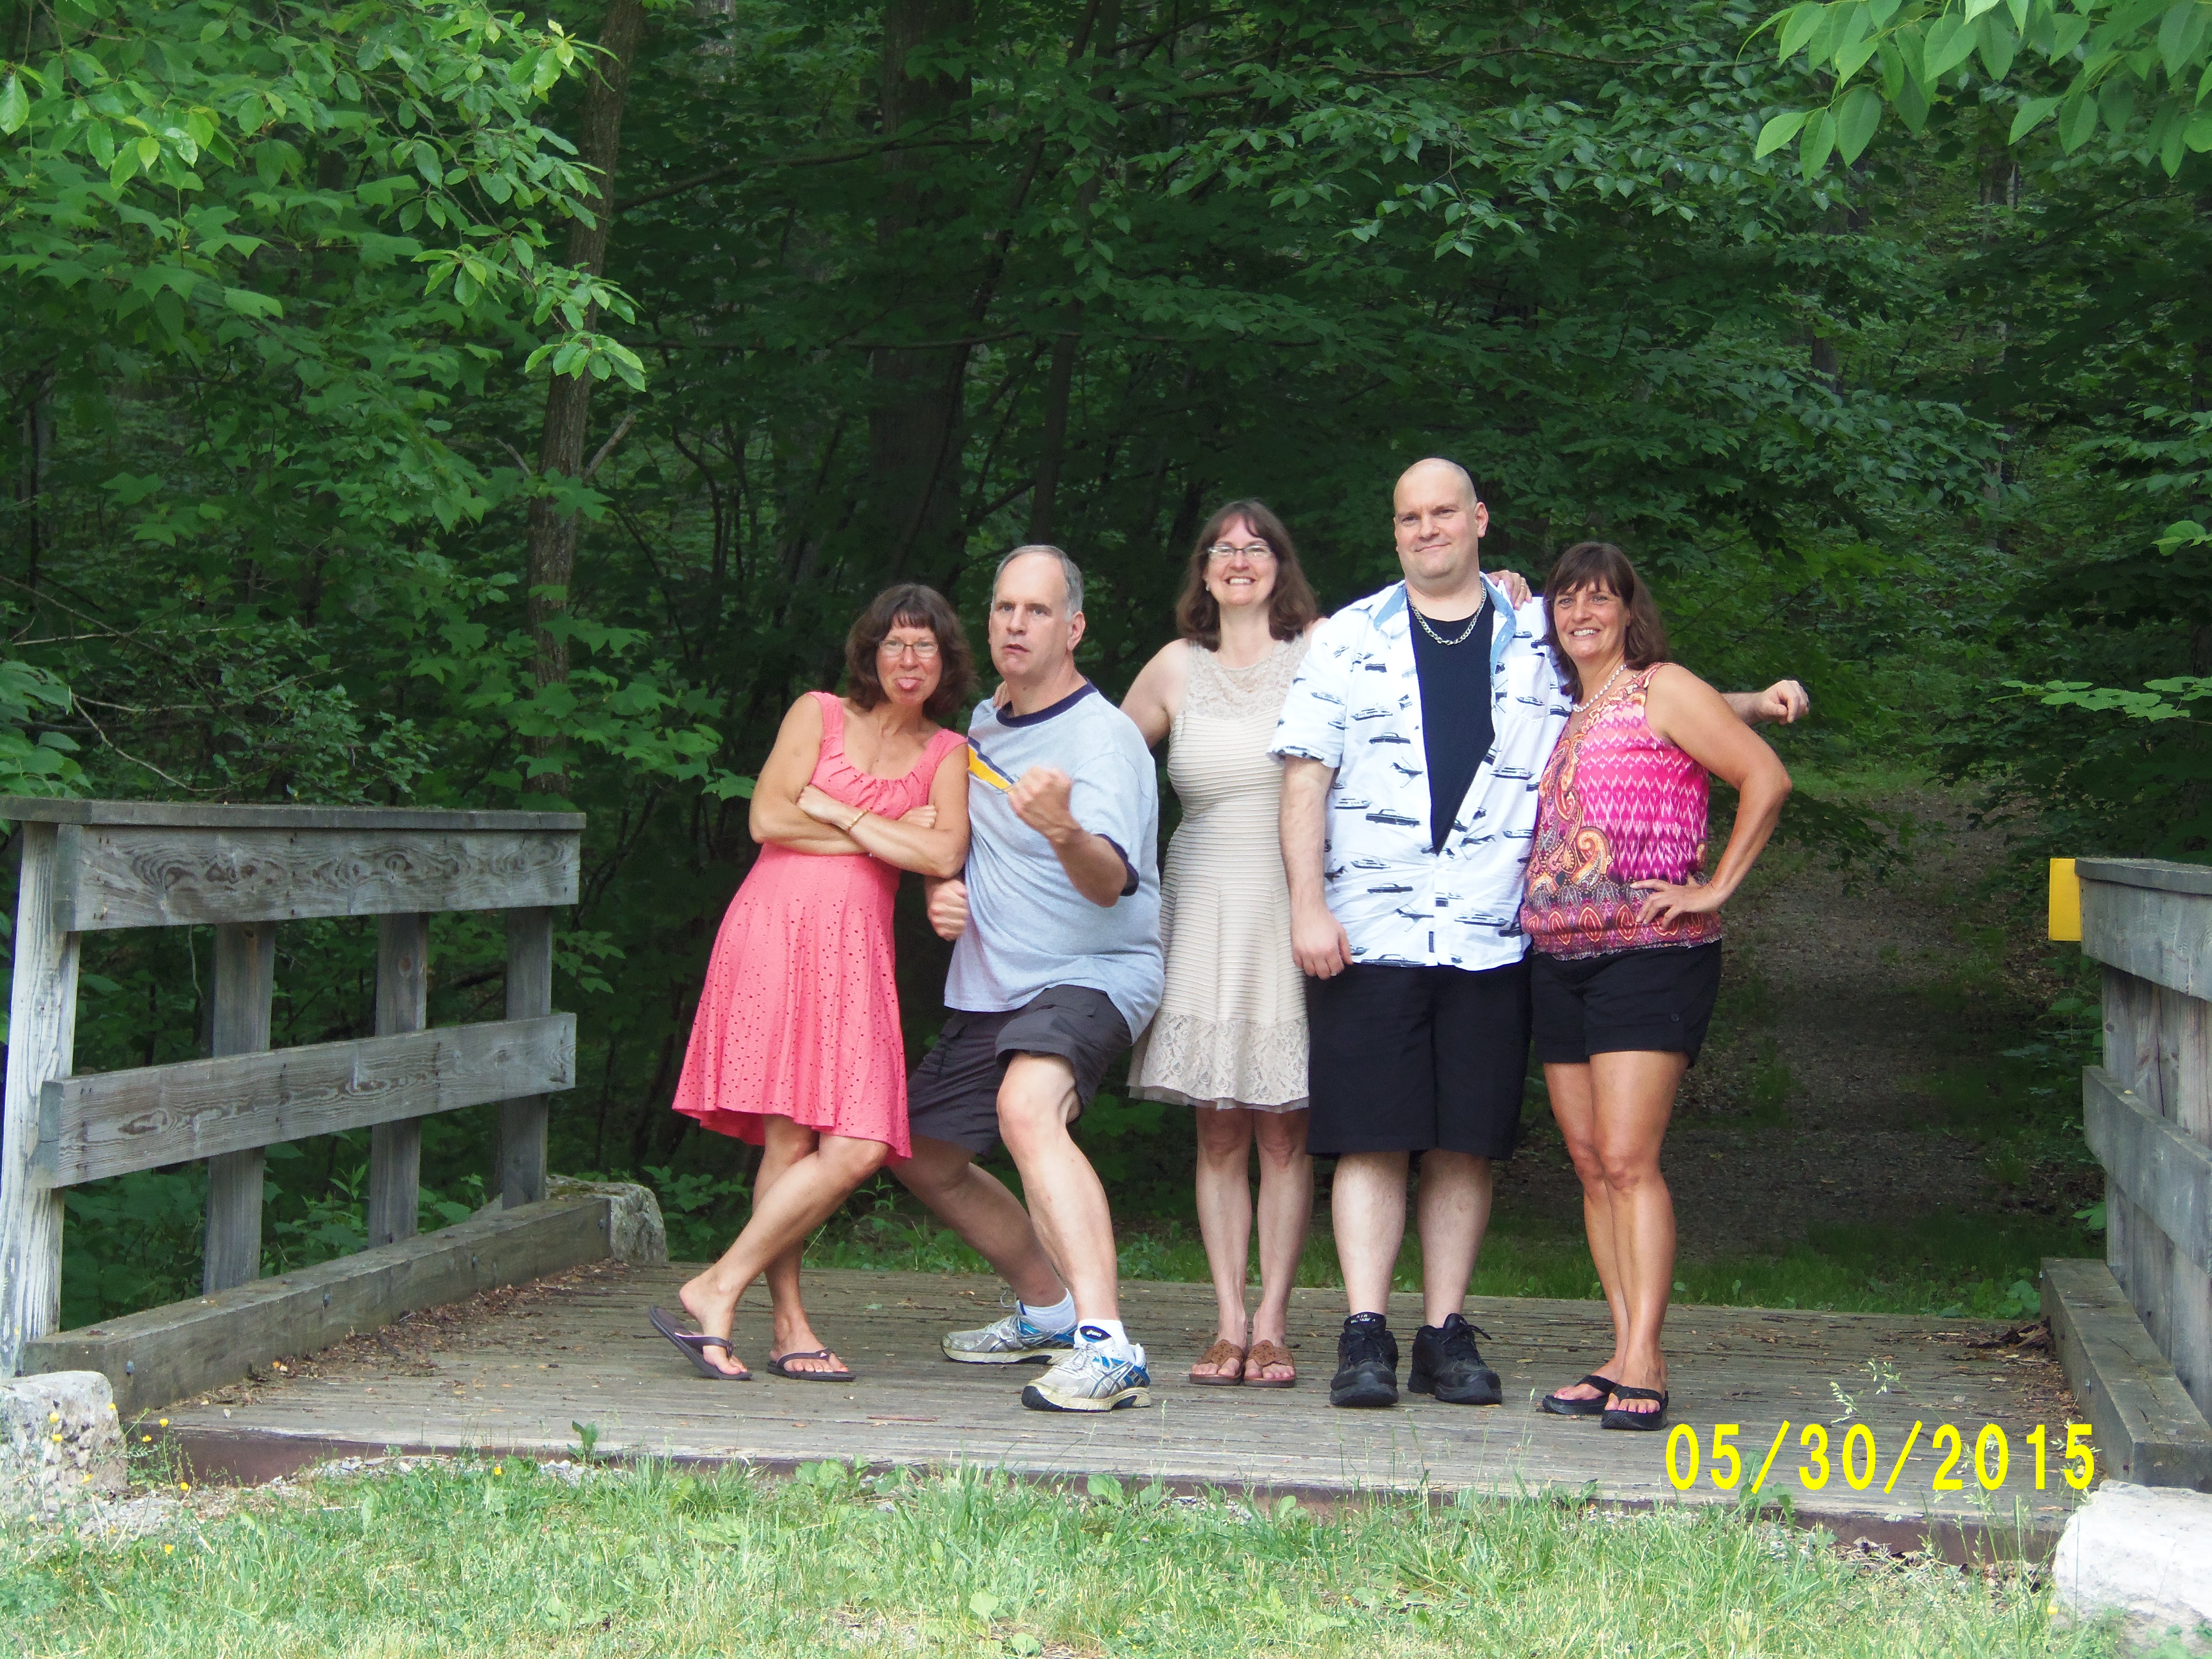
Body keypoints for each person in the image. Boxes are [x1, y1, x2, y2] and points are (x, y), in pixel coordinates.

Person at [1272, 458, 1807, 1411]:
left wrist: (1754, 711)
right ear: (1393, 530)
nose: (1427, 529)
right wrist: (1306, 905)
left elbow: (1645, 703)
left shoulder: (1532, 636)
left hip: (1497, 934)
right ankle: (1366, 1334)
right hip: (1380, 925)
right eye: (1409, 517)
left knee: (1470, 1142)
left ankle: (1450, 1333)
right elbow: (1305, 775)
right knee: (1377, 1139)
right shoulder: (1346, 638)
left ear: (1480, 518)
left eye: (1445, 512)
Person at [650, 584, 974, 1383]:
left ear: (945, 663)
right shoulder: (819, 714)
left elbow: (941, 858)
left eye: (925, 647)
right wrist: (886, 838)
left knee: (858, 1142)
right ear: (870, 651)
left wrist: (834, 811)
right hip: (773, 931)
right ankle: (788, 1325)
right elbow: (767, 820)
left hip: (856, 952)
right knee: (790, 1139)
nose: (908, 660)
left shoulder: (949, 754)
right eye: (895, 644)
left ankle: (717, 1282)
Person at [890, 544, 1166, 1412]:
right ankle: (1048, 1310)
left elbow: (1110, 881)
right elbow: (952, 838)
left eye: (1038, 611)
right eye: (1006, 607)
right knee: (923, 1153)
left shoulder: (1105, 738)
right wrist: (942, 887)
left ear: (1074, 627)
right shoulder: (979, 723)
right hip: (993, 983)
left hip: (1094, 970)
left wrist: (1063, 831)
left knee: (1025, 1109)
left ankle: (1107, 1345)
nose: (1016, 624)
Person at [1524, 542, 1791, 1431]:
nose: (1582, 614)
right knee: (1593, 1165)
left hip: (1651, 953)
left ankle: (1646, 1359)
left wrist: (1715, 887)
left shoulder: (1660, 685)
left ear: (1630, 611)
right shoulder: (1566, 705)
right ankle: (1621, 1346)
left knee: (1632, 1161)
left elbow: (1765, 774)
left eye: (1600, 599)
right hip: (1558, 959)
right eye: (1567, 601)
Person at [1119, 502, 1322, 1388]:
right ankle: (1227, 1322)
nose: (1240, 560)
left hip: (1292, 896)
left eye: (1257, 547)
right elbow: (1105, 764)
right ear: (1202, 571)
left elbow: (1427, 618)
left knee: (1284, 1129)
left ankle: (1274, 1324)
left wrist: (1505, 590)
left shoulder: (1324, 650)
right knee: (1217, 1130)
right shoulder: (1173, 667)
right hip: (1200, 896)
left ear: (1281, 563)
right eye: (1223, 549)